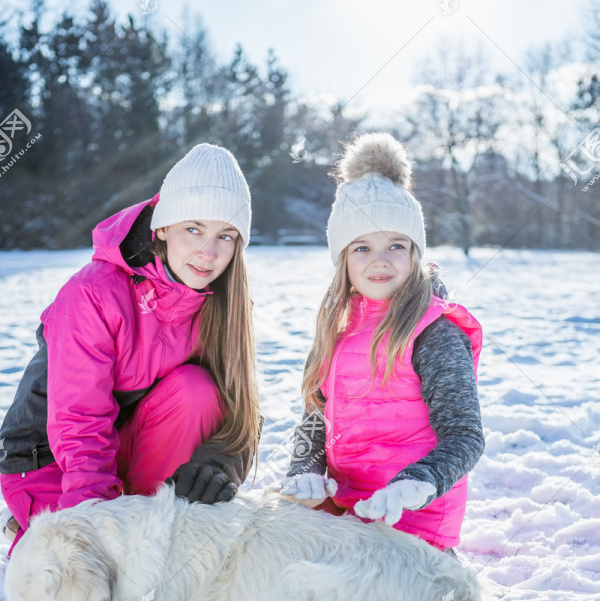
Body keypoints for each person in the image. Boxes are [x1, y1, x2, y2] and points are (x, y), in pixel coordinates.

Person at [0, 143, 262, 558]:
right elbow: (78, 421)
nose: (208, 253)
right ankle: (39, 517)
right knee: (73, 578)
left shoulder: (223, 303)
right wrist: (95, 525)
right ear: (161, 228)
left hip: (129, 445)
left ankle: (151, 519)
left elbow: (240, 411)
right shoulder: (94, 292)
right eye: (193, 228)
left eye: (225, 236)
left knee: (197, 388)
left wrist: (214, 467)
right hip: (53, 457)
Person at [280, 132, 484, 552]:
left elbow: (465, 435)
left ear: (415, 251)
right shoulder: (338, 328)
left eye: (396, 244)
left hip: (413, 522)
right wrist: (305, 467)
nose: (381, 259)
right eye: (362, 247)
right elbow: (316, 420)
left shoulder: (434, 332)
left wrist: (418, 483)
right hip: (343, 512)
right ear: (343, 260)